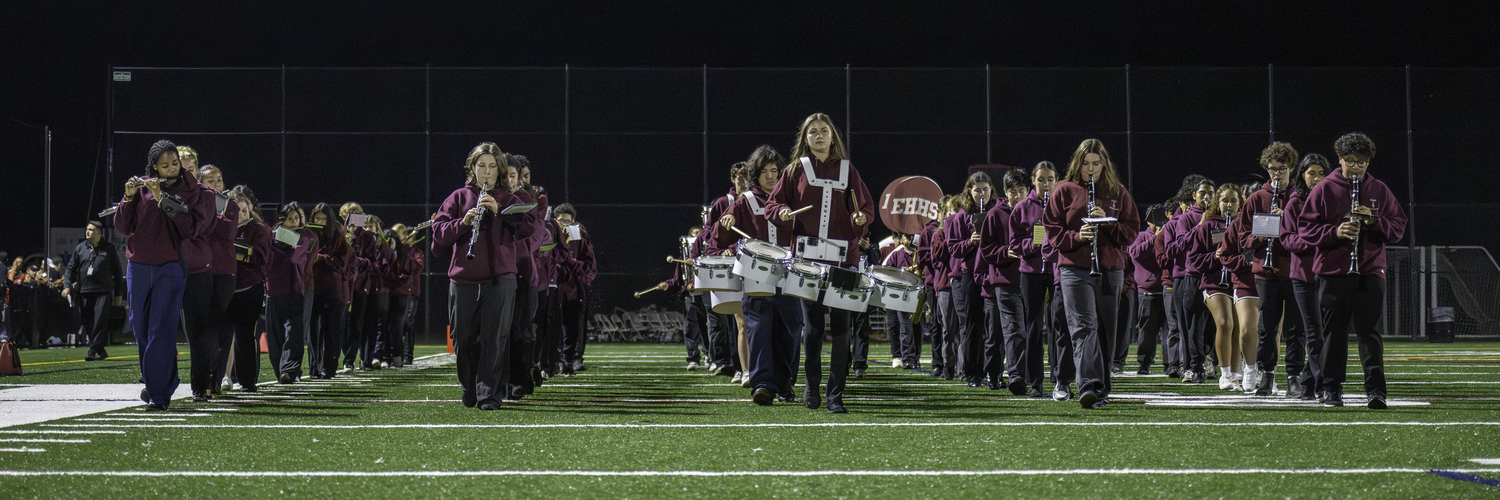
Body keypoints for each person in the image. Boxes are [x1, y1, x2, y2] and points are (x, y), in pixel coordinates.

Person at [764, 113, 874, 414]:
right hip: (807, 260)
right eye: (813, 132)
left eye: (824, 131)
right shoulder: (794, 170)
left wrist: (859, 220)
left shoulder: (848, 171)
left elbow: (863, 207)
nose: (819, 136)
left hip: (843, 260)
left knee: (842, 328)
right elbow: (772, 205)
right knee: (812, 329)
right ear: (806, 138)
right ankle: (811, 387)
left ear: (833, 136)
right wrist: (783, 212)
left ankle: (835, 396)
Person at [1300, 132, 1406, 409]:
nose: (1356, 167)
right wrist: (1334, 232)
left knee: (1369, 332)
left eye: (1361, 162)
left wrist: (1374, 222)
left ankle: (1376, 390)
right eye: (1350, 161)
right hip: (1333, 271)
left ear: (1369, 162)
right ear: (1340, 159)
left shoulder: (1379, 190)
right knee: (1333, 332)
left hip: (1369, 269)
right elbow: (1305, 228)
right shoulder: (1324, 188)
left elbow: (1397, 227)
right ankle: (1331, 388)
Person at [432, 143, 537, 410]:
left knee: (495, 338)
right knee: (463, 338)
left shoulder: (510, 198)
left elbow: (529, 229)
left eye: (492, 166)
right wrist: (463, 223)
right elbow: (438, 236)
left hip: (501, 278)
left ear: (499, 170)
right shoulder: (457, 198)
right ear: (472, 168)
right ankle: (470, 388)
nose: (487, 172)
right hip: (463, 278)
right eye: (481, 166)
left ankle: (489, 395)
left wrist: (499, 212)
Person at [1042, 138, 1140, 409]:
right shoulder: (1064, 190)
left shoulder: (1117, 191)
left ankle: (1103, 388)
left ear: (1104, 164)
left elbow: (1132, 231)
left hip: (1110, 268)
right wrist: (1077, 236)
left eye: (1096, 163)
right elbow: (1051, 230)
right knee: (1084, 326)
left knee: (1107, 330)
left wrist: (1108, 224)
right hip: (1074, 267)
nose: (1091, 169)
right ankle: (1088, 383)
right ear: (1078, 163)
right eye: (1086, 163)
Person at [115, 140, 211, 410]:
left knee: (161, 327)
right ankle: (163, 379)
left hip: (170, 266)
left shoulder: (192, 189)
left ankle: (158, 394)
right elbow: (122, 226)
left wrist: (162, 198)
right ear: (153, 166)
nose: (171, 169)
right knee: (139, 325)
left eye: (175, 164)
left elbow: (190, 228)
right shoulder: (142, 186)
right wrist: (129, 196)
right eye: (164, 165)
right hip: (138, 266)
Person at [711, 144, 803, 405]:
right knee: (759, 330)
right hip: (755, 277)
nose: (772, 176)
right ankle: (762, 385)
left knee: (791, 329)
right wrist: (725, 223)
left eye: (775, 171)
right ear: (756, 174)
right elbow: (719, 236)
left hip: (789, 276)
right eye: (765, 172)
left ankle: (785, 385)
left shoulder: (790, 199)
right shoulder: (744, 202)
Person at [1235, 142, 1304, 396]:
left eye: (1282, 169)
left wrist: (1286, 218)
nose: (1276, 174)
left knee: (1297, 328)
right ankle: (1267, 375)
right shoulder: (1256, 199)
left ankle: (1294, 377)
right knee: (1267, 327)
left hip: (1295, 270)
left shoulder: (1301, 197)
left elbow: (1308, 233)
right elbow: (1243, 240)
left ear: (1292, 168)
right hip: (1266, 271)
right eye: (1272, 169)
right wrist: (1267, 231)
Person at [1277, 154, 1330, 400]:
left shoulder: (1332, 200)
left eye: (1321, 173)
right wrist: (1317, 240)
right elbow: (1286, 238)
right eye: (1311, 173)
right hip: (1303, 276)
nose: (1317, 178)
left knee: (1324, 332)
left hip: (1330, 274)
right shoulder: (1294, 203)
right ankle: (1320, 383)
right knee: (1313, 332)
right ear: (1302, 176)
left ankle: (1310, 383)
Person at [1187, 184, 1244, 391]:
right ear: (1217, 203)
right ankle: (1225, 373)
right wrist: (1215, 256)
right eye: (1224, 201)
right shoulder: (1208, 226)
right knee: (1225, 323)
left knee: (1238, 327)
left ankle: (1235, 375)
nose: (1229, 205)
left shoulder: (1243, 225)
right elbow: (1193, 260)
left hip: (1237, 281)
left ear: (1240, 203)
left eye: (1233, 201)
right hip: (1214, 281)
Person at [1009, 162, 1059, 397]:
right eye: (1041, 179)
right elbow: (1014, 245)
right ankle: (1035, 382)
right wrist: (1034, 243)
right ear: (1033, 180)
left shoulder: (1062, 204)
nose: (1046, 184)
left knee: (1060, 325)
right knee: (1034, 328)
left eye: (1050, 179)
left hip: (1058, 271)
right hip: (1031, 272)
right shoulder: (1022, 207)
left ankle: (1061, 380)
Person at [943, 172, 995, 388]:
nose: (981, 193)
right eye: (977, 190)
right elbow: (953, 248)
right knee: (972, 325)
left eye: (985, 189)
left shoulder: (997, 212)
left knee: (994, 325)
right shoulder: (960, 217)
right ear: (969, 191)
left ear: (991, 189)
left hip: (994, 272)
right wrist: (970, 242)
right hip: (970, 274)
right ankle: (972, 372)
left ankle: (995, 372)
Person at [979, 168, 1028, 393]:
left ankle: (1029, 375)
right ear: (1005, 192)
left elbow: (1041, 239)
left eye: (1021, 191)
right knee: (1012, 330)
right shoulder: (995, 214)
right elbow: (986, 249)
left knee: (1030, 330)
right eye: (1012, 191)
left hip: (1032, 278)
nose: (1017, 195)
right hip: (1006, 280)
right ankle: (1015, 376)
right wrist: (1003, 252)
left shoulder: (1034, 212)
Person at [194, 165, 240, 398]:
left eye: (219, 180)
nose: (216, 184)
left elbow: (226, 234)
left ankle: (217, 377)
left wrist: (209, 216)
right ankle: (201, 380)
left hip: (223, 271)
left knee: (221, 326)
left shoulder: (229, 204)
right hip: (200, 270)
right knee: (201, 327)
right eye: (210, 181)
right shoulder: (196, 201)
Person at [1165, 178, 1217, 383]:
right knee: (1189, 326)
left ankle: (1206, 360)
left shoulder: (1219, 216)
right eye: (1202, 192)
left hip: (1214, 275)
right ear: (1194, 195)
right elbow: (1178, 246)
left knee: (1213, 326)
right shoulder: (1185, 219)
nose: (1206, 196)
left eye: (1211, 193)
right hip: (1191, 276)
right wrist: (1201, 226)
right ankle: (1190, 366)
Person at [222, 186, 270, 392]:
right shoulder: (222, 226)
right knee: (222, 336)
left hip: (249, 288)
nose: (241, 215)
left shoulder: (259, 229)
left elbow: (260, 256)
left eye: (244, 210)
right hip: (225, 288)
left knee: (244, 337)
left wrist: (232, 250)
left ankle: (248, 382)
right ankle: (221, 377)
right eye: (236, 211)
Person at [264, 202, 313, 384]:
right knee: (275, 335)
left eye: (296, 218)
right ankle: (280, 372)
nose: (293, 222)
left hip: (294, 291)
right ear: (281, 220)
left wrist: (279, 247)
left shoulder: (304, 238)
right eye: (289, 218)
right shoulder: (271, 237)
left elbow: (295, 257)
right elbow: (266, 261)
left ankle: (290, 370)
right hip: (273, 291)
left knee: (293, 334)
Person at [63, 221, 125, 361]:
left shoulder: (109, 249)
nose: (87, 232)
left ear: (99, 232)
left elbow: (117, 272)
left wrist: (118, 294)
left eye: (91, 230)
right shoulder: (80, 248)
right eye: (87, 230)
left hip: (103, 290)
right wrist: (67, 285)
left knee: (99, 321)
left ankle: (92, 351)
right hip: (84, 291)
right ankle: (100, 350)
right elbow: (71, 268)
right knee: (87, 321)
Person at [308, 203, 352, 379]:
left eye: (324, 219)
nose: (320, 221)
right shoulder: (307, 235)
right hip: (311, 287)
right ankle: (314, 368)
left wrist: (323, 258)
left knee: (331, 330)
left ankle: (328, 368)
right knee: (312, 330)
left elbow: (342, 262)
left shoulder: (337, 236)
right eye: (317, 218)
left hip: (331, 289)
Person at [554, 203, 596, 376]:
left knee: (573, 327)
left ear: (574, 221)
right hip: (554, 287)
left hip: (573, 288)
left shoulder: (580, 236)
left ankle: (569, 360)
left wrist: (578, 272)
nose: (564, 224)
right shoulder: (550, 234)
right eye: (560, 220)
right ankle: (554, 361)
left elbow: (589, 262)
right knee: (554, 326)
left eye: (567, 221)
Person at [1126, 205, 1168, 375]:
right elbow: (1134, 253)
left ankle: (1170, 364)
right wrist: (1155, 238)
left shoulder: (1169, 233)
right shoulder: (1142, 236)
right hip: (1148, 292)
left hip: (1166, 289)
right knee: (1147, 332)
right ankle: (1144, 364)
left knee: (1169, 331)